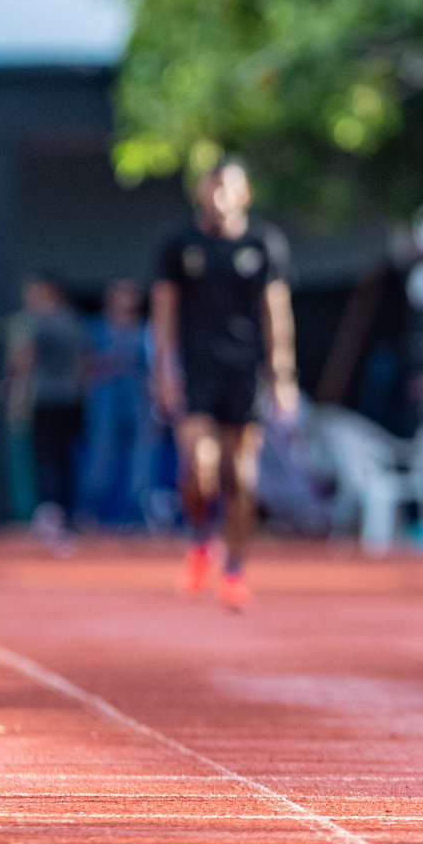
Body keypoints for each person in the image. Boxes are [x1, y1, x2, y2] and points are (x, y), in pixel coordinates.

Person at [151, 159, 297, 612]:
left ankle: (234, 569)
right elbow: (164, 313)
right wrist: (164, 370)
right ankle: (200, 539)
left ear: (244, 193)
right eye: (210, 189)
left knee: (242, 476)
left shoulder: (264, 243)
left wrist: (282, 374)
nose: (217, 198)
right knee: (200, 466)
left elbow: (277, 310)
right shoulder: (179, 244)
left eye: (226, 189)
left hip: (244, 371)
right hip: (196, 371)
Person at [10, 273, 86, 542]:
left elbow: (26, 358)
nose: (28, 298)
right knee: (64, 458)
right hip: (70, 398)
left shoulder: (37, 322)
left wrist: (16, 393)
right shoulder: (73, 321)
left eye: (33, 292)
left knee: (45, 457)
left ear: (48, 292)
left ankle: (50, 515)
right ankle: (66, 514)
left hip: (44, 398)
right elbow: (81, 363)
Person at [81, 279, 156, 526]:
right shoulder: (94, 329)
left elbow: (156, 369)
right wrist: (113, 363)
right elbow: (82, 367)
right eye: (121, 293)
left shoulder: (147, 330)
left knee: (141, 459)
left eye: (131, 294)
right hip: (104, 403)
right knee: (101, 456)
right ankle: (89, 512)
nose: (127, 299)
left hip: (139, 402)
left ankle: (137, 514)